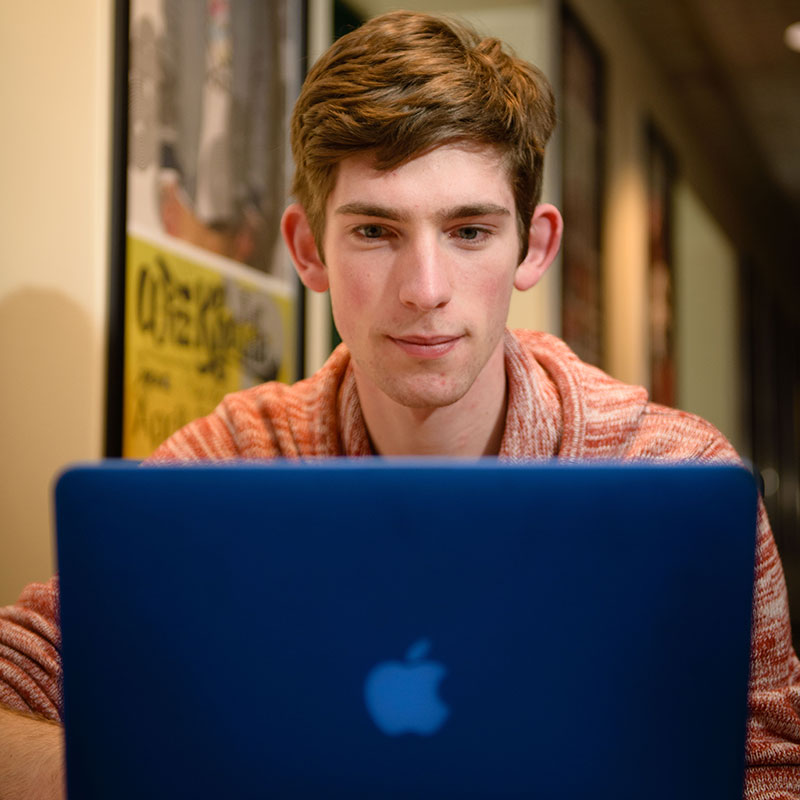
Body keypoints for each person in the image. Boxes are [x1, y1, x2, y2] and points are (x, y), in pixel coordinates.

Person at [1, 10, 799, 799]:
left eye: (470, 231)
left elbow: (773, 765)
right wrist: (172, 774)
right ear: (308, 250)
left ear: (534, 247)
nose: (425, 289)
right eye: (376, 232)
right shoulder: (235, 462)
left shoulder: (672, 475)